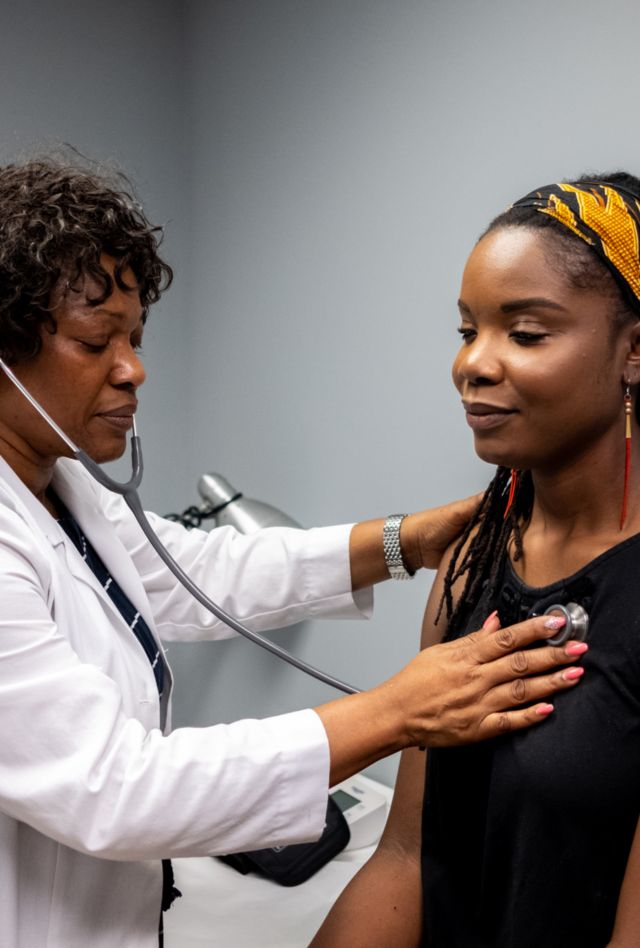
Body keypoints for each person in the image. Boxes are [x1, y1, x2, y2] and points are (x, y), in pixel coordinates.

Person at [0, 158, 584, 948]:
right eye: (95, 340)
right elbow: (117, 787)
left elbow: (196, 571)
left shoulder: (64, 487)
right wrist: (396, 710)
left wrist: (405, 541)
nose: (135, 370)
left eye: (135, 338)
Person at [311, 172, 640, 948]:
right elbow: (405, 857)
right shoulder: (475, 556)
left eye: (525, 333)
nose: (474, 365)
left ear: (634, 351)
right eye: (468, 331)